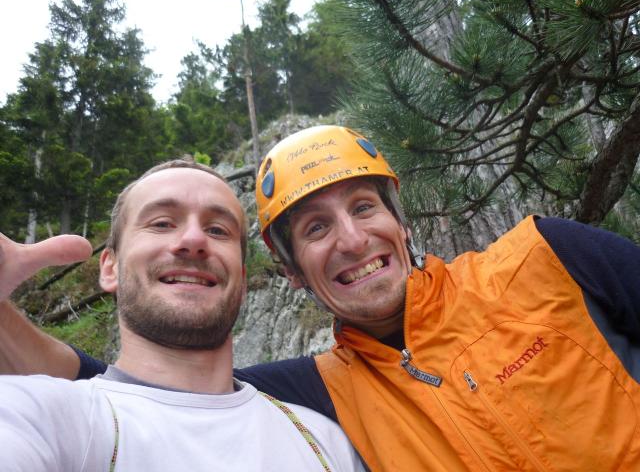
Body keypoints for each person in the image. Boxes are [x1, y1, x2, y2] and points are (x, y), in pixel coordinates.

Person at [2, 126, 640, 470]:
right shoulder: (316, 397)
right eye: (315, 229)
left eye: (363, 207)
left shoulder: (548, 257)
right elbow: (141, 388)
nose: (353, 240)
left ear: (401, 223)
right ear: (292, 273)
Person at [0, 159, 364, 471]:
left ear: (242, 277)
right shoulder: (44, 418)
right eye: (161, 223)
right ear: (109, 268)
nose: (193, 240)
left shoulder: (325, 441)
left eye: (217, 230)